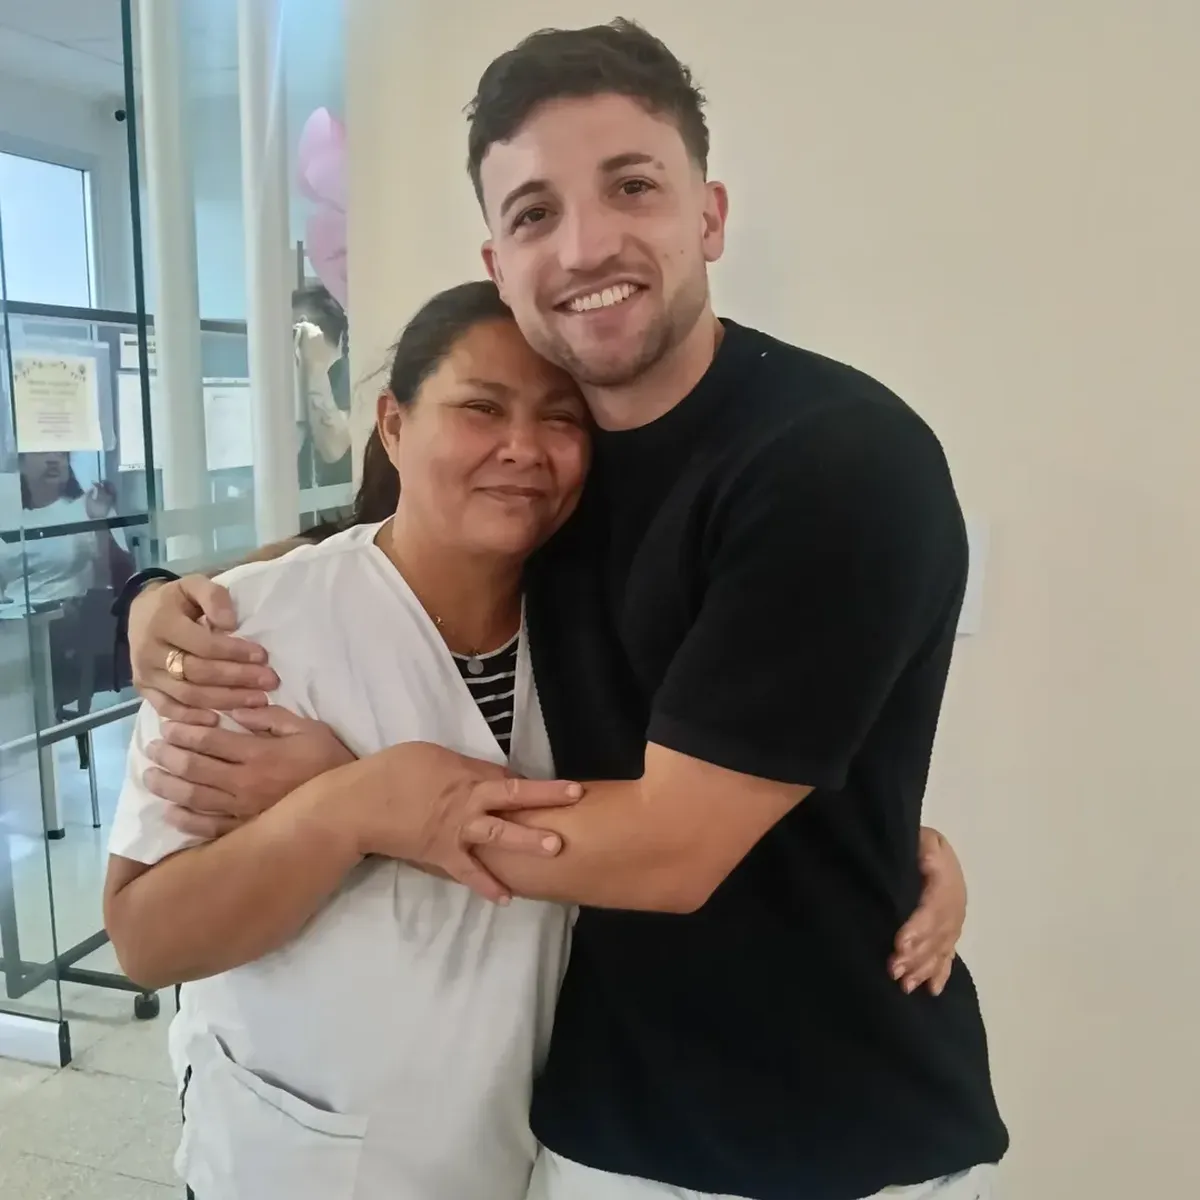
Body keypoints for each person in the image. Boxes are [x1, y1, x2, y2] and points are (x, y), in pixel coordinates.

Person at [119, 19, 1007, 1200]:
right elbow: (388, 542)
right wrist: (164, 597)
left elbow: (677, 845)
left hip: (826, 1131)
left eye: (631, 185)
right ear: (498, 260)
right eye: (534, 211)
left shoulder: (831, 464)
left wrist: (365, 799)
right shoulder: (558, 490)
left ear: (710, 215)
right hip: (586, 1124)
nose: (586, 241)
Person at [105, 281, 592, 1199]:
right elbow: (145, 939)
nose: (522, 448)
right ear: (394, 425)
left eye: (561, 419)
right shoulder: (248, 632)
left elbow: (667, 830)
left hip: (529, 1146)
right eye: (481, 407)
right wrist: (345, 814)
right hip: (307, 1153)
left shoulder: (600, 635)